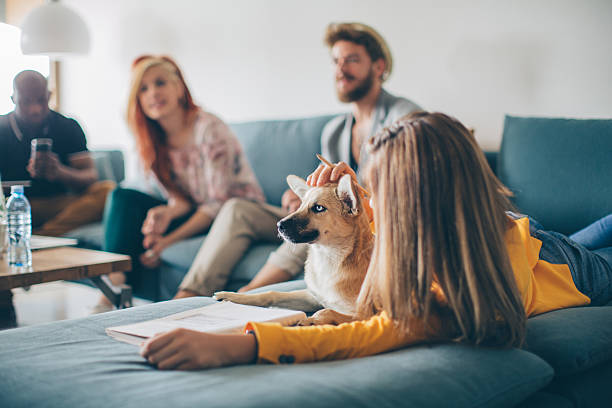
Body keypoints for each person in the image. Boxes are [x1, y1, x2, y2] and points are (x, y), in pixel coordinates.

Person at [140, 111, 612, 370]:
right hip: (511, 227)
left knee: (593, 245)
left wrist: (244, 346)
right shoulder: (415, 228)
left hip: (561, 259)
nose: (371, 205)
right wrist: (348, 194)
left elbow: (378, 330)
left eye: (379, 192)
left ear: (416, 200)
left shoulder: (480, 289)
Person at [174, 22, 422, 298]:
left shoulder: (405, 118)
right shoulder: (334, 131)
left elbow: (408, 190)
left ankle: (248, 295)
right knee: (237, 210)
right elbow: (325, 194)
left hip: (365, 223)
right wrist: (303, 201)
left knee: (319, 231)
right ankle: (188, 295)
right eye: (336, 61)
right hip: (328, 213)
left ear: (379, 67)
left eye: (351, 60)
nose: (340, 69)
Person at [98, 56, 265, 310]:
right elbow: (181, 199)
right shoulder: (153, 141)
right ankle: (113, 288)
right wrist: (166, 212)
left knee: (156, 229)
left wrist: (167, 241)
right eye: (143, 89)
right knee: (123, 197)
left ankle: (154, 298)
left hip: (229, 214)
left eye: (160, 83)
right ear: (138, 101)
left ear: (179, 87)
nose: (153, 93)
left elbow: (216, 203)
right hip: (195, 212)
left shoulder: (209, 128)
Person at [0, 70, 114, 236]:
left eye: (41, 100)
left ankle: (44, 234)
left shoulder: (68, 126)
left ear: (49, 95)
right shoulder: (2, 128)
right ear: (13, 99)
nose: (35, 109)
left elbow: (91, 176)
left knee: (108, 191)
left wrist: (59, 172)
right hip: (12, 206)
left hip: (60, 205)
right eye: (26, 102)